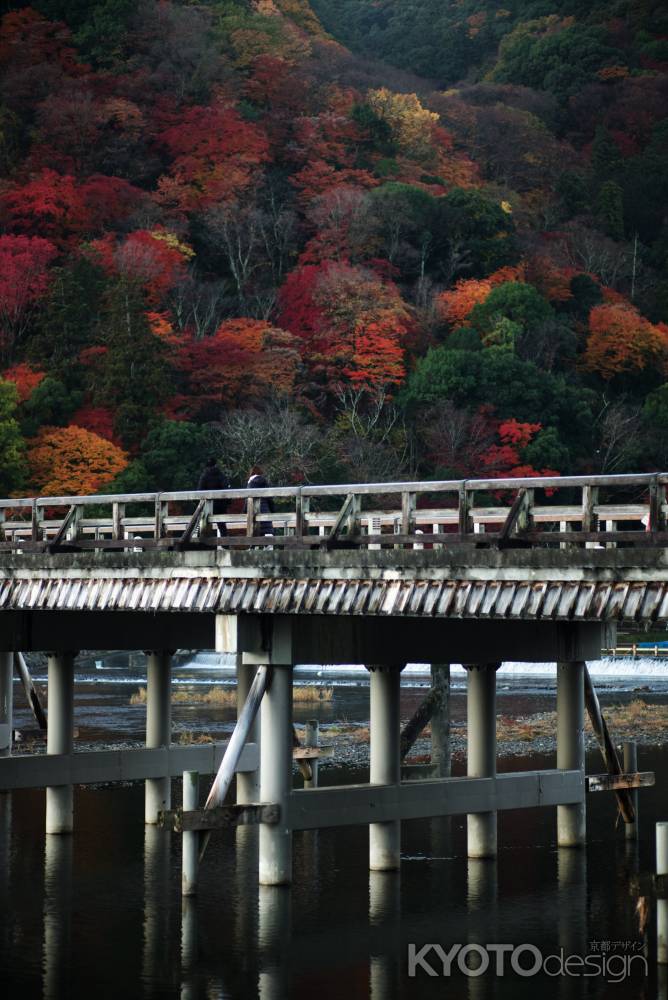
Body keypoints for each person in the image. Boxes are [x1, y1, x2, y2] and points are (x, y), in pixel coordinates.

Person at [198, 457, 229, 535]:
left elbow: (200, 491)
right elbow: (226, 489)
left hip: (207, 506)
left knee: (203, 523)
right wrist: (227, 503)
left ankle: (203, 542)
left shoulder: (204, 476)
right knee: (222, 525)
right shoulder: (221, 475)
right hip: (220, 505)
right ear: (216, 464)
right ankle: (225, 543)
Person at [246, 465, 274, 536]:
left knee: (254, 533)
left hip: (253, 512)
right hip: (265, 511)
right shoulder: (264, 482)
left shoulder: (250, 484)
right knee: (267, 532)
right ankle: (268, 545)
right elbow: (270, 499)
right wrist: (272, 510)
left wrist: (244, 511)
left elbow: (247, 500)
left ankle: (254, 546)